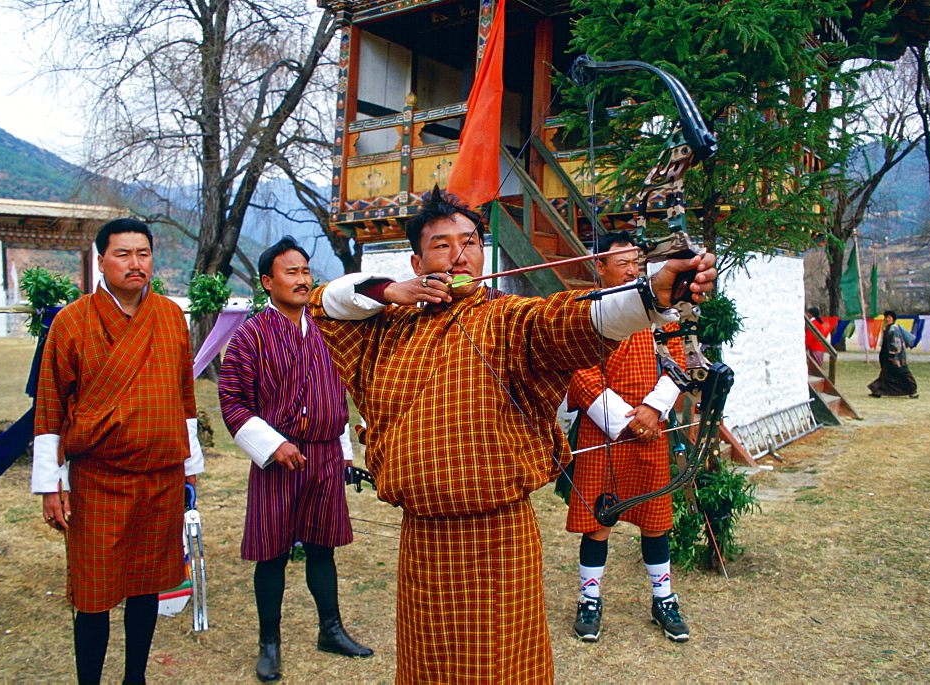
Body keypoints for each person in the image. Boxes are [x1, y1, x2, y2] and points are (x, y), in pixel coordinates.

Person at [307, 188, 717, 682]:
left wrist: (651, 295)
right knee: (430, 670)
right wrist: (392, 290)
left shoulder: (508, 318)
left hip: (501, 537)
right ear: (417, 259)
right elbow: (324, 302)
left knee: (507, 669)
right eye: (442, 245)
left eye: (471, 241)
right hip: (426, 540)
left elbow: (571, 319)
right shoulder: (385, 327)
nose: (460, 254)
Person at [32, 218, 204, 684]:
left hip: (161, 476)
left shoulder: (170, 316)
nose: (135, 263)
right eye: (123, 254)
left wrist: (190, 468)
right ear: (101, 261)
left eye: (143, 253)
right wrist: (51, 485)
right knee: (93, 593)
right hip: (98, 480)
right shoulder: (73, 320)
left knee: (146, 586)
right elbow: (49, 406)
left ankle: (135, 678)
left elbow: (183, 398)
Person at [218, 237, 372, 682]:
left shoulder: (327, 328)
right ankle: (269, 643)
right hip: (276, 459)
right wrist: (273, 445)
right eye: (291, 272)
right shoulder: (250, 335)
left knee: (323, 547)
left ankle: (331, 629)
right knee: (273, 553)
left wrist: (342, 452)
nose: (302, 279)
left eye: (305, 271)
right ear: (268, 282)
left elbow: (337, 396)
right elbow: (232, 402)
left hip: (324, 455)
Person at [565, 231, 690, 644]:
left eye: (636, 262)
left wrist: (654, 409)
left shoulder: (661, 308)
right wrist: (623, 420)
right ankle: (589, 600)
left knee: (655, 522)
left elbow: (679, 361)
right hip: (605, 433)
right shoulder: (587, 309)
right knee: (597, 523)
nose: (633, 269)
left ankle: (663, 598)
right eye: (622, 263)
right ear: (599, 269)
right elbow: (580, 372)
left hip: (649, 429)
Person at [868, 310, 919, 398]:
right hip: (886, 354)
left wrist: (892, 356)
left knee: (903, 372)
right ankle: (877, 391)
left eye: (889, 318)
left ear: (893, 319)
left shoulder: (894, 329)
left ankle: (913, 391)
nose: (887, 319)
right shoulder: (887, 328)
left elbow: (896, 344)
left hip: (896, 356)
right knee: (885, 373)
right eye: (886, 318)